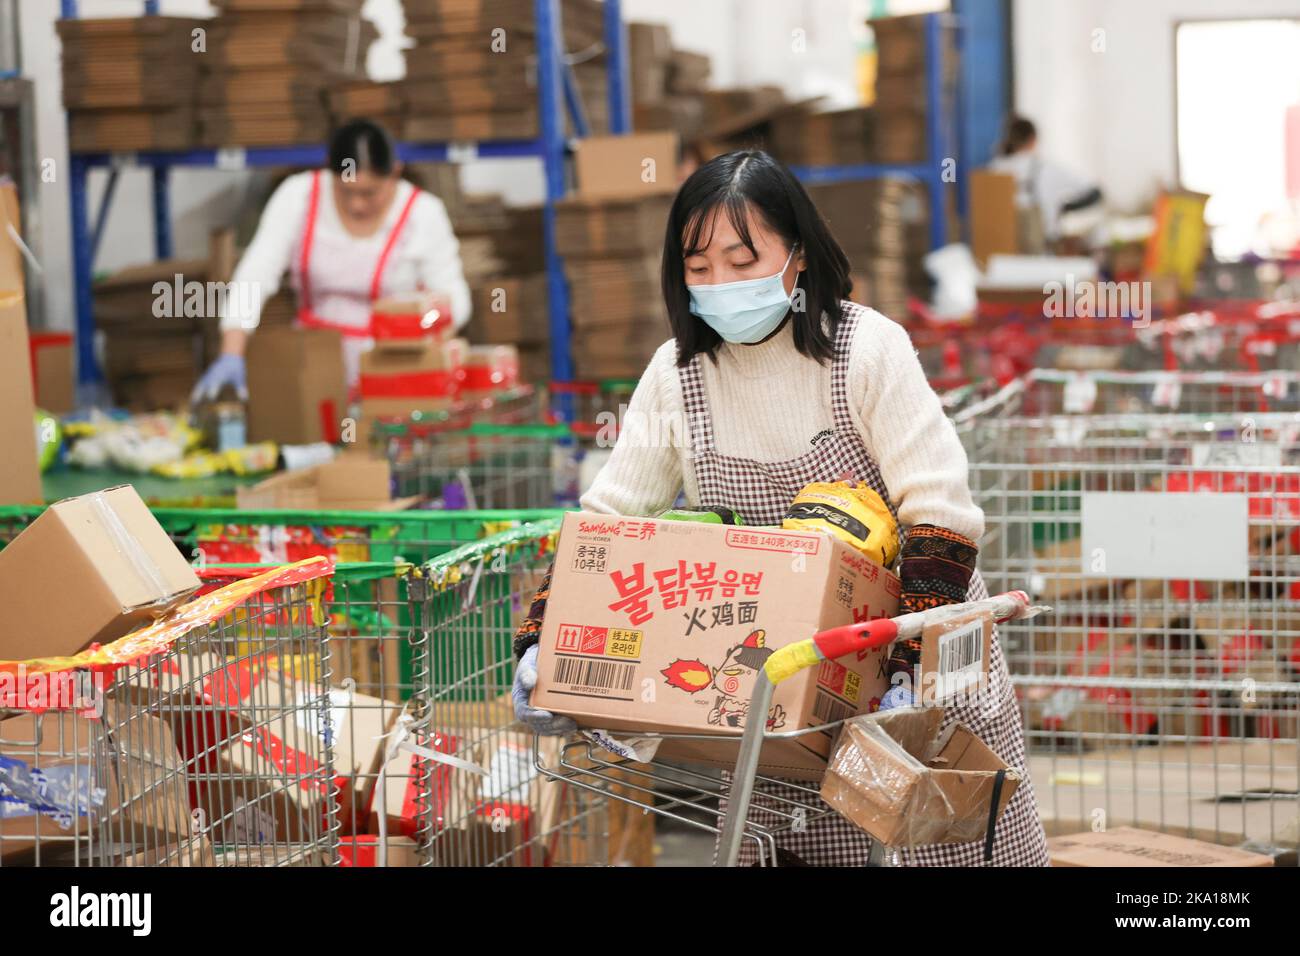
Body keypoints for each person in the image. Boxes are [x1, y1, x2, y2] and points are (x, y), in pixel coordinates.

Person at [510, 149, 1051, 867]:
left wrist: (909, 667)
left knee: (942, 849)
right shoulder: (678, 378)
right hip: (778, 699)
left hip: (909, 674)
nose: (720, 285)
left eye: (742, 261)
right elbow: (611, 519)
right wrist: (543, 643)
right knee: (798, 850)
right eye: (698, 269)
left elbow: (939, 507)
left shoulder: (865, 351)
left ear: (797, 257)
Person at [193, 118, 472, 399]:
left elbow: (454, 301)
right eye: (346, 191)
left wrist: (414, 331)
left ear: (395, 173)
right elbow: (256, 274)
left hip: (394, 370)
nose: (356, 204)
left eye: (369, 193)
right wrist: (232, 351)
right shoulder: (299, 196)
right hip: (313, 365)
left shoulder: (423, 214)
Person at [988, 115, 1103, 246]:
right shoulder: (1046, 168)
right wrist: (1065, 208)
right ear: (1033, 139)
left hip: (1001, 249)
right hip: (1043, 250)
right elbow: (1095, 192)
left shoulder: (994, 169)